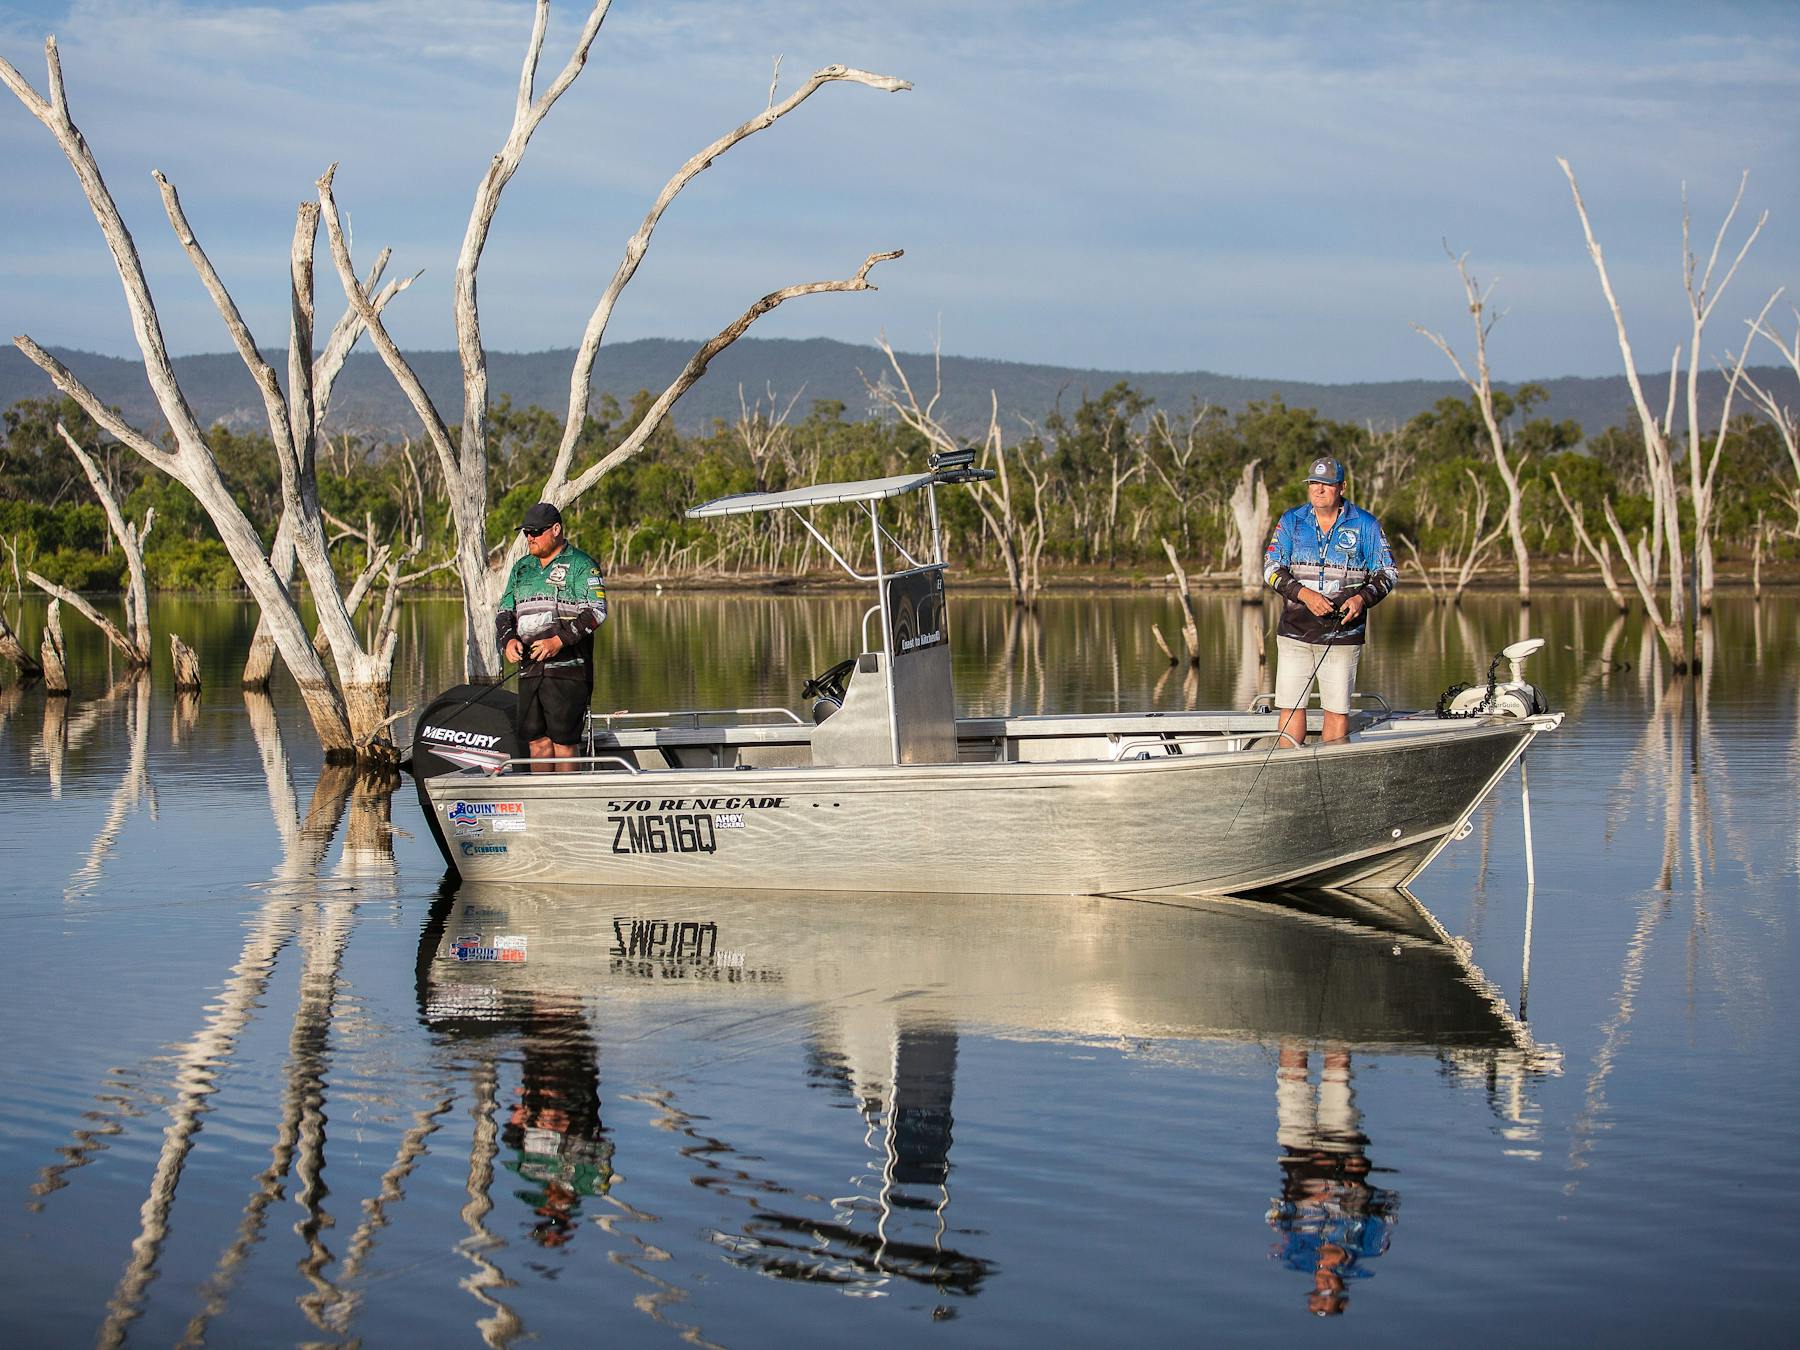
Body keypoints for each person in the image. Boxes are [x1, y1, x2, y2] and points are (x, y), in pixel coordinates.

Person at [1263, 457, 1397, 748]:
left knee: (1336, 710)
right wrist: (1304, 594)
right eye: (1314, 483)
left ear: (1342, 487)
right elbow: (1271, 568)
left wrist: (1363, 598)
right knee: (1290, 706)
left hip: (1343, 635)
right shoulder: (1291, 521)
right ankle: (1287, 770)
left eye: (1326, 484)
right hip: (1295, 632)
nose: (1318, 490)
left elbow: (1388, 572)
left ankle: (1335, 774)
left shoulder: (1365, 525)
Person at [497, 502, 608, 770]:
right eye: (526, 533)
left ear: (556, 529)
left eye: (536, 532)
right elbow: (504, 611)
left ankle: (568, 804)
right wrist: (509, 640)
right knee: (537, 742)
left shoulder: (582, 565)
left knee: (564, 742)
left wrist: (558, 641)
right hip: (530, 671)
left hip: (569, 672)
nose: (530, 538)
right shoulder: (522, 568)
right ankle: (541, 801)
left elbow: (596, 612)